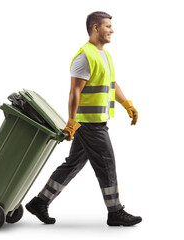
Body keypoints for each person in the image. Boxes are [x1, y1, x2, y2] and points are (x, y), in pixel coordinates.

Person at [26, 11, 141, 227]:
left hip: (95, 121)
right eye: (108, 26)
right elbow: (74, 92)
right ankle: (115, 211)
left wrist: (128, 105)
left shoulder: (104, 55)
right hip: (89, 124)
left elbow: (111, 85)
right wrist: (71, 122)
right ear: (95, 28)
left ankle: (39, 201)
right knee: (106, 163)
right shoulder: (84, 57)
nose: (112, 30)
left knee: (73, 164)